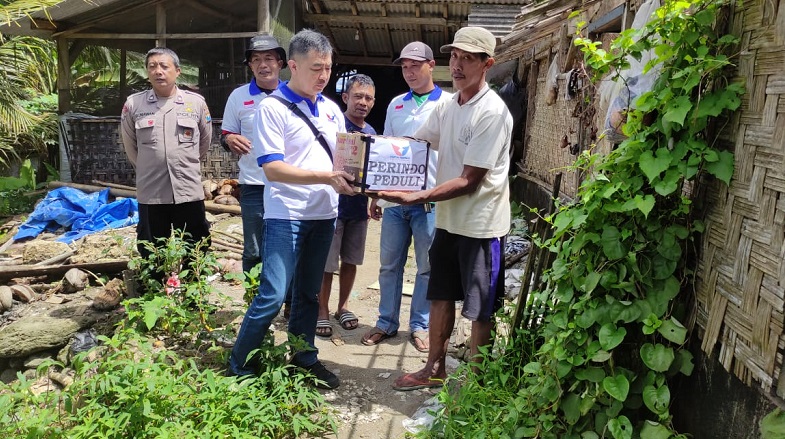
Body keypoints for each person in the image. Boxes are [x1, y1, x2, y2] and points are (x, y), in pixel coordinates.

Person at [376, 27, 513, 391]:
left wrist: (417, 196)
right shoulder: (448, 105)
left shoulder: (492, 112)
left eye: (468, 58)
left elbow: (470, 179)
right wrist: (373, 166)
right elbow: (415, 142)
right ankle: (433, 368)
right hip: (449, 220)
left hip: (481, 224)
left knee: (480, 307)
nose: (457, 65)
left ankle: (479, 386)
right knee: (439, 294)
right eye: (454, 56)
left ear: (488, 64)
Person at [228, 29, 355, 390]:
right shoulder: (271, 108)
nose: (323, 75)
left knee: (308, 294)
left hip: (324, 214)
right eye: (316, 68)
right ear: (294, 66)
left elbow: (347, 160)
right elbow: (272, 168)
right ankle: (239, 366)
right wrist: (326, 177)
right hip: (286, 215)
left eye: (328, 68)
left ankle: (304, 360)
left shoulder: (332, 109)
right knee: (273, 292)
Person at [361, 42, 452, 353]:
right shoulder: (396, 104)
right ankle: (386, 322)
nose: (409, 72)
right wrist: (377, 195)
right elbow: (385, 148)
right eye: (404, 66)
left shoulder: (449, 104)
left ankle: (420, 325)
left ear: (431, 65)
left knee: (426, 267)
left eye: (415, 65)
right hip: (396, 202)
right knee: (389, 264)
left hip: (429, 203)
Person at [120, 47, 212, 269]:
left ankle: (193, 298)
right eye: (152, 66)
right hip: (152, 191)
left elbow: (205, 142)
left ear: (178, 71)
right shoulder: (134, 104)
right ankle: (154, 296)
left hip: (187, 189)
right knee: (151, 248)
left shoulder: (195, 103)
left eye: (164, 66)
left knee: (195, 244)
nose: (158, 71)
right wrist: (150, 165)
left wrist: (182, 164)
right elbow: (130, 147)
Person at [316, 74, 377, 337]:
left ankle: (343, 307)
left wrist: (376, 198)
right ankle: (321, 311)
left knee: (351, 260)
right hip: (332, 206)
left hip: (358, 208)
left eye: (369, 98)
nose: (363, 102)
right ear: (345, 98)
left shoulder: (372, 132)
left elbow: (374, 170)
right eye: (358, 96)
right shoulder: (334, 126)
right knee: (327, 263)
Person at [220, 34, 286, 275]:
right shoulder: (238, 96)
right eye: (256, 59)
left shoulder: (292, 95)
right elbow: (225, 134)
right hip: (253, 185)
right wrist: (229, 139)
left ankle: (289, 303)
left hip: (287, 184)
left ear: (281, 63)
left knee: (286, 246)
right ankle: (254, 302)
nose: (263, 64)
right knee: (253, 249)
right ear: (250, 65)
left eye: (269, 58)